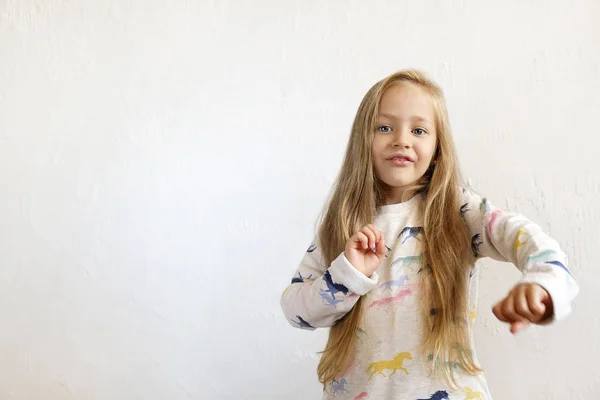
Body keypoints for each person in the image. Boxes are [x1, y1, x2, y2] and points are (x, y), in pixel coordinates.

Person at [280, 69, 579, 399]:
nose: (402, 139)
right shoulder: (342, 223)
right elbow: (296, 311)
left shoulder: (458, 211)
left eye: (419, 129)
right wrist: (347, 275)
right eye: (384, 127)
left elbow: (529, 239)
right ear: (362, 140)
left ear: (437, 148)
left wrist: (543, 284)